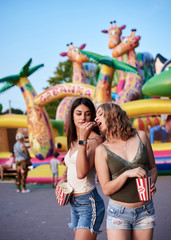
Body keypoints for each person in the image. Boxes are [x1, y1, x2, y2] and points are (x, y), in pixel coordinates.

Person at [94, 103, 158, 240]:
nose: (95, 119)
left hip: (146, 210)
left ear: (113, 114)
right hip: (119, 213)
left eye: (99, 114)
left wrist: (151, 182)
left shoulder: (141, 136)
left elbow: (153, 168)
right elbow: (106, 189)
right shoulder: (101, 150)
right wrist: (126, 174)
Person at [55, 97, 105, 240]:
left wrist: (83, 138)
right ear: (72, 115)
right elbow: (70, 166)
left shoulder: (95, 140)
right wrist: (62, 180)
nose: (83, 117)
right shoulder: (74, 139)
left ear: (92, 116)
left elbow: (82, 172)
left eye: (87, 113)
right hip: (74, 203)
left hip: (88, 203)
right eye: (78, 113)